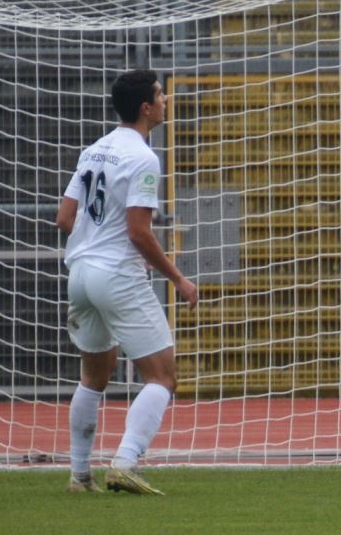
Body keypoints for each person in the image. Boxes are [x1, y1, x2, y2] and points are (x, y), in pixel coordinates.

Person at [58, 69, 199, 495]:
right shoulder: (144, 158)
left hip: (80, 273)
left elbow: (65, 218)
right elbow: (139, 231)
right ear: (145, 107)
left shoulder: (94, 149)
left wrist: (94, 241)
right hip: (117, 274)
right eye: (160, 95)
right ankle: (124, 461)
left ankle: (79, 476)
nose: (165, 101)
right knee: (162, 377)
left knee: (92, 378)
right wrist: (178, 278)